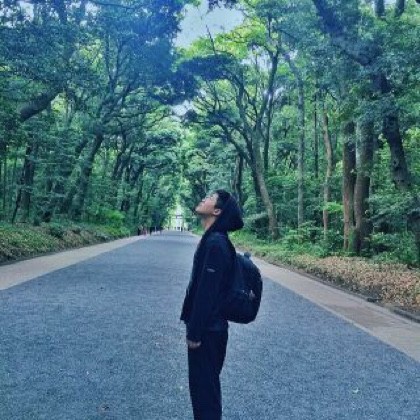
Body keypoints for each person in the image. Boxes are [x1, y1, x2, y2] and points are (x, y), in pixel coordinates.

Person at [180, 189, 244, 420]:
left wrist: (194, 332)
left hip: (208, 331)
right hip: (212, 328)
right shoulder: (213, 239)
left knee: (205, 394)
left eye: (209, 198)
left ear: (217, 211)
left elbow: (206, 293)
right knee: (204, 392)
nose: (203, 199)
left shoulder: (216, 243)